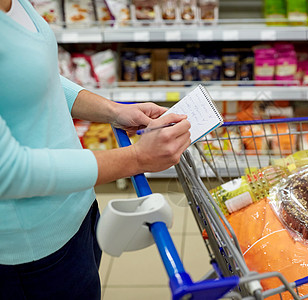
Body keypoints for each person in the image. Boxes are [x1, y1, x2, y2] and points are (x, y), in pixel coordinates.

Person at [0, 0, 191, 298]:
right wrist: (137, 157)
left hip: (77, 210)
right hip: (30, 248)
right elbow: (8, 172)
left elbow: (35, 77)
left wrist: (114, 111)